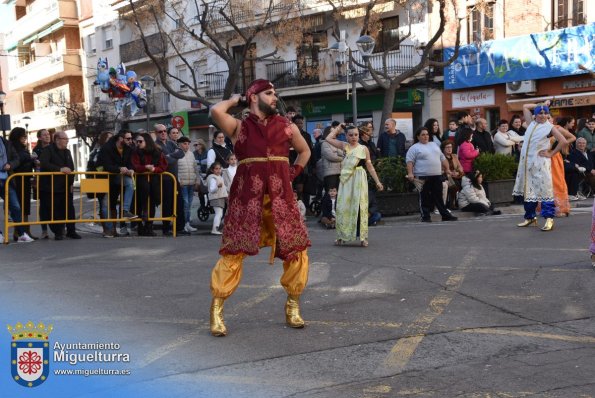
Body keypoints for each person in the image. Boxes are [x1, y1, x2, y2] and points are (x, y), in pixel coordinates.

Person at [208, 79, 311, 336]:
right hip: (247, 200)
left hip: (281, 198)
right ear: (254, 97)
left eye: (275, 92)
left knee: (295, 248)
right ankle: (217, 310)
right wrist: (236, 99)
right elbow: (216, 111)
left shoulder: (286, 127)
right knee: (233, 252)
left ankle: (293, 305)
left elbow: (304, 151)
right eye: (269, 93)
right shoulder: (239, 128)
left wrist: (291, 173)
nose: (274, 97)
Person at [513, 101, 568, 231]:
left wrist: (551, 153)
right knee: (529, 191)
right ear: (535, 115)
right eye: (540, 113)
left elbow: (563, 141)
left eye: (545, 113)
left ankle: (549, 219)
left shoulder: (550, 127)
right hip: (527, 165)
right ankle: (530, 217)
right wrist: (542, 104)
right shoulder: (531, 123)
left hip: (540, 164)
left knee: (545, 191)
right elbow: (525, 106)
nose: (543, 115)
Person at [325, 124, 384, 247]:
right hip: (346, 180)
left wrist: (377, 181)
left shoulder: (363, 148)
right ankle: (341, 236)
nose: (353, 137)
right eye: (350, 135)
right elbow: (328, 139)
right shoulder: (344, 146)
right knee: (342, 207)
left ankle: (363, 237)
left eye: (356, 135)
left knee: (360, 207)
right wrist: (339, 128)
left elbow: (369, 166)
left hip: (359, 179)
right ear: (346, 136)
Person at [406, 127, 458, 223]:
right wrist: (410, 173)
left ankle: (445, 215)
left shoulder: (434, 145)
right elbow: (410, 161)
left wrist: (447, 170)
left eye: (427, 134)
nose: (426, 136)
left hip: (437, 175)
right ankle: (425, 216)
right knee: (424, 197)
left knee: (439, 196)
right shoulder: (414, 148)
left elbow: (442, 158)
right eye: (423, 134)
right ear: (418, 137)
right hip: (422, 176)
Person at [39, 131, 82, 240]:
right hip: (51, 187)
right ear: (57, 140)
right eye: (65, 139)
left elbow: (71, 168)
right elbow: (44, 163)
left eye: (67, 139)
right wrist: (59, 169)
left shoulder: (67, 152)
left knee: (69, 209)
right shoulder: (48, 150)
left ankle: (71, 230)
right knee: (54, 210)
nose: (67, 141)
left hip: (65, 186)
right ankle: (58, 232)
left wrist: (71, 183)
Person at [97, 130, 138, 236]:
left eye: (131, 138)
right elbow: (105, 166)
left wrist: (131, 169)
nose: (130, 141)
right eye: (128, 139)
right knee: (105, 205)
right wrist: (119, 168)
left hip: (117, 178)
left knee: (130, 183)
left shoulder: (129, 148)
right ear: (120, 138)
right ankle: (109, 230)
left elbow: (131, 163)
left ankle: (125, 210)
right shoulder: (106, 148)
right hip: (104, 179)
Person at [131, 133, 168, 236]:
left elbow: (163, 166)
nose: (138, 143)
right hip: (140, 182)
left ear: (147, 141)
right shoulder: (135, 152)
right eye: (137, 141)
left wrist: (154, 169)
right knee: (139, 203)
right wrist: (145, 168)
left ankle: (149, 226)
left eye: (140, 141)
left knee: (151, 203)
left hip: (154, 181)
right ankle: (140, 226)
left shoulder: (157, 152)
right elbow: (135, 166)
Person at [0, 133, 34, 243]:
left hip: (7, 179)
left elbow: (16, 159)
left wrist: (10, 165)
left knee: (16, 206)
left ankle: (21, 234)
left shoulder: (6, 143)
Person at [155, 124, 186, 236]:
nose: (163, 133)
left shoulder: (171, 143)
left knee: (179, 203)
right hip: (165, 178)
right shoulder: (156, 145)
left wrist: (169, 155)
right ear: (156, 133)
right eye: (160, 132)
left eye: (164, 131)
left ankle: (179, 227)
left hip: (174, 178)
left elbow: (181, 153)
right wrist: (172, 156)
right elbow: (164, 161)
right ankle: (166, 228)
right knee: (167, 203)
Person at [9, 127, 37, 240]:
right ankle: (20, 231)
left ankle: (25, 231)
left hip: (25, 180)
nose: (25, 138)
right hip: (17, 180)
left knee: (25, 207)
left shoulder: (23, 148)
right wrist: (30, 158)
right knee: (19, 207)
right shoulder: (13, 148)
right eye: (23, 136)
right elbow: (17, 161)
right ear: (17, 137)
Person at [549, 117, 576, 217]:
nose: (547, 119)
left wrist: (558, 146)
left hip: (554, 157)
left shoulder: (557, 128)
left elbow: (572, 137)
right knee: (546, 183)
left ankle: (561, 208)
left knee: (558, 182)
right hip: (543, 158)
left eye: (549, 117)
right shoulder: (540, 128)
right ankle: (547, 208)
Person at [177, 136, 200, 233]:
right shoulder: (176, 153)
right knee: (185, 204)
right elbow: (175, 169)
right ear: (179, 144)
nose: (187, 146)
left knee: (189, 205)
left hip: (191, 183)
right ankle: (184, 224)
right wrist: (179, 180)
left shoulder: (191, 154)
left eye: (188, 144)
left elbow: (195, 168)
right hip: (183, 184)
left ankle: (187, 224)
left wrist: (197, 180)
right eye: (184, 143)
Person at [33, 128, 52, 239]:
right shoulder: (37, 150)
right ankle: (44, 230)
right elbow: (35, 165)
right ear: (39, 137)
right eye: (44, 135)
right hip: (42, 181)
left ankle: (60, 228)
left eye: (48, 134)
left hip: (55, 180)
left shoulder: (54, 147)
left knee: (56, 205)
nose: (47, 136)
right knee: (44, 206)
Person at [441, 140, 464, 210]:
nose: (449, 149)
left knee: (465, 181)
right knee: (454, 184)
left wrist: (458, 172)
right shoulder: (441, 157)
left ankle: (459, 202)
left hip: (456, 176)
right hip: (446, 176)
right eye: (447, 147)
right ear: (443, 149)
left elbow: (460, 167)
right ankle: (451, 203)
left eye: (450, 147)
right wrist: (449, 173)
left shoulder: (454, 156)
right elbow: (440, 170)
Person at [206, 162, 227, 235]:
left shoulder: (219, 177)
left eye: (219, 169)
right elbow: (212, 190)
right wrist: (217, 186)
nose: (218, 170)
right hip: (215, 198)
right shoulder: (213, 178)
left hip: (220, 197)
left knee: (220, 213)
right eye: (216, 169)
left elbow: (223, 188)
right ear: (212, 170)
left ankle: (216, 228)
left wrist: (226, 195)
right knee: (219, 213)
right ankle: (214, 229)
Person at [321, 126, 344, 191]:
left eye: (335, 131)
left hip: (340, 171)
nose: (334, 133)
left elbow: (344, 153)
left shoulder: (337, 142)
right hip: (330, 173)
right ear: (328, 133)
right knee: (330, 194)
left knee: (339, 194)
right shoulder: (324, 143)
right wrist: (342, 158)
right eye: (332, 131)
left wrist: (337, 152)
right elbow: (331, 156)